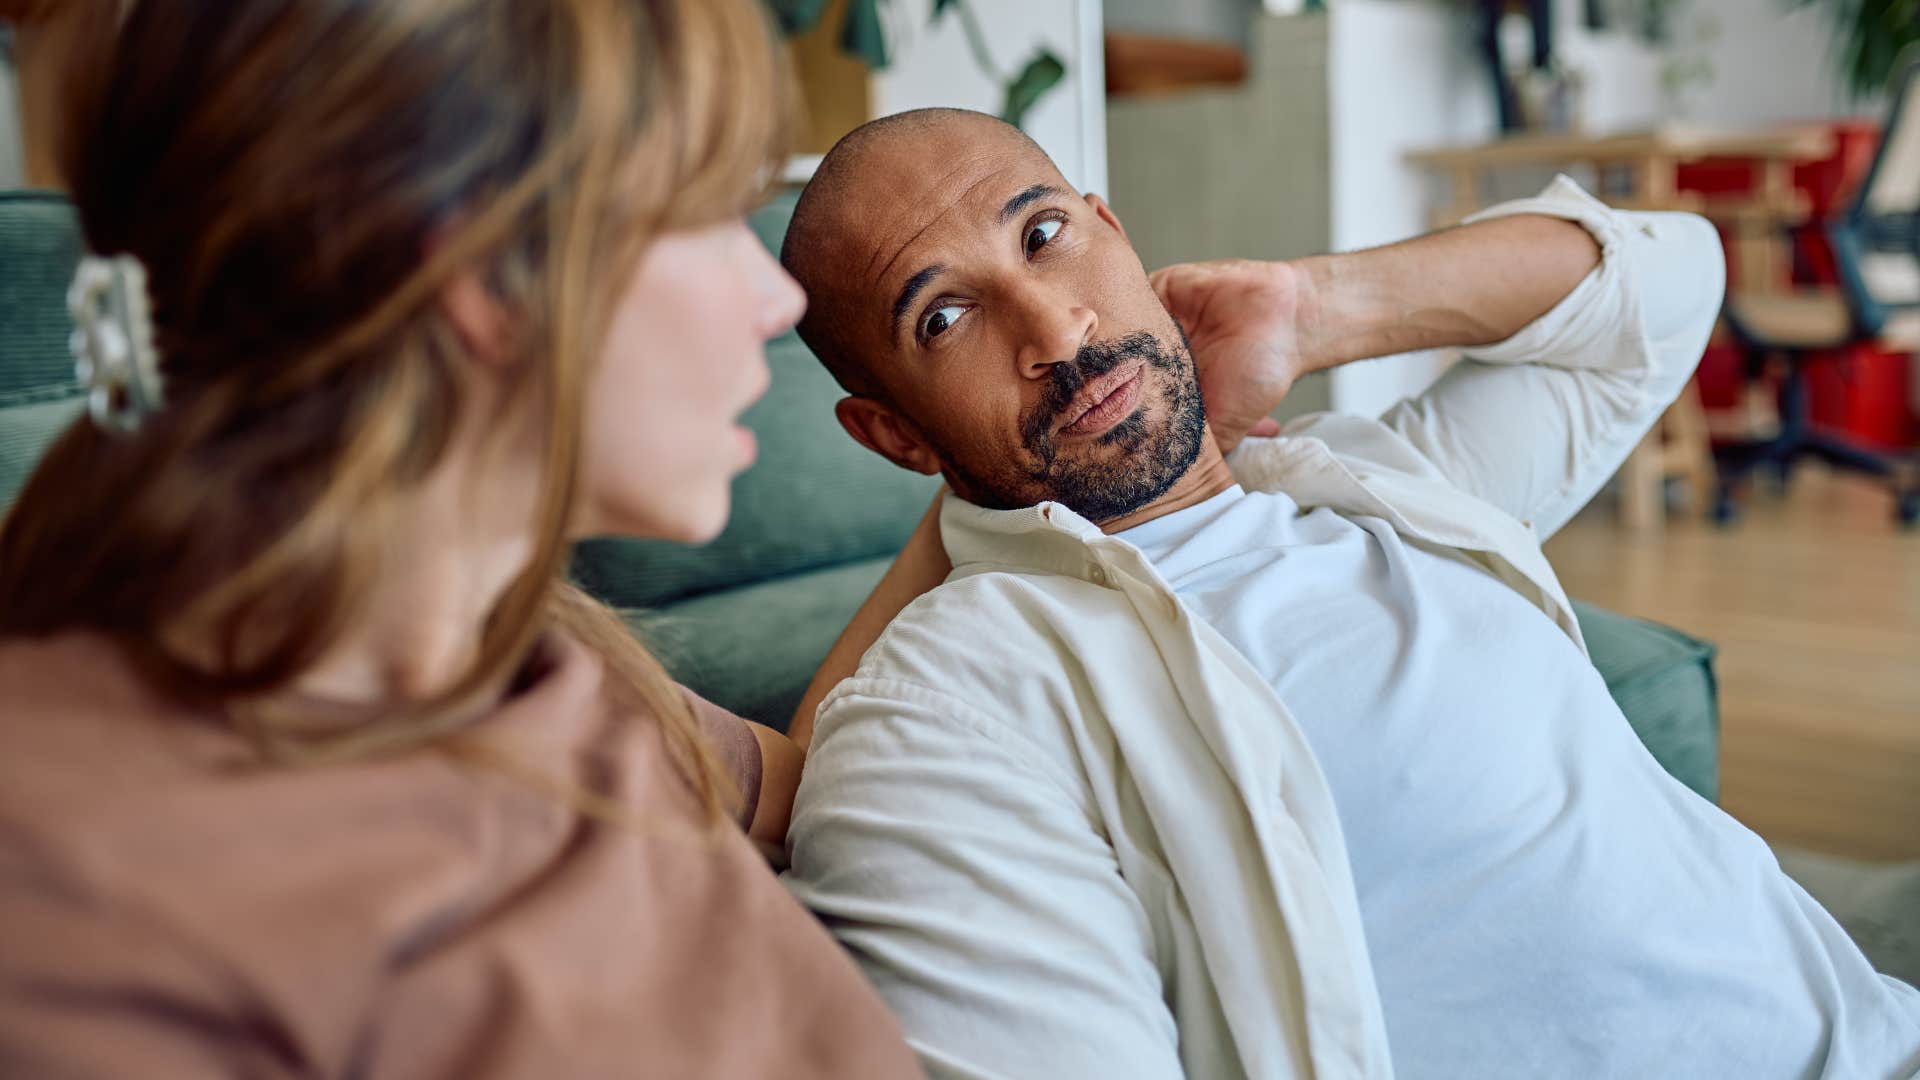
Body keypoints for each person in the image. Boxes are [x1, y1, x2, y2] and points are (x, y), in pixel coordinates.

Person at [776, 108, 1920, 1078]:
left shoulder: (1376, 478)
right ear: (890, 433)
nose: (1057, 328)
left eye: (1045, 234)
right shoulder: (953, 704)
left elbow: (1673, 277)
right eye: (945, 317)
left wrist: (1317, 305)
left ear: (1115, 231)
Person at [0, 0, 939, 1074]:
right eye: (716, 210)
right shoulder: (84, 892)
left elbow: (818, 787)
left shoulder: (548, 666)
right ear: (490, 280)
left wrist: (987, 494)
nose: (777, 296)